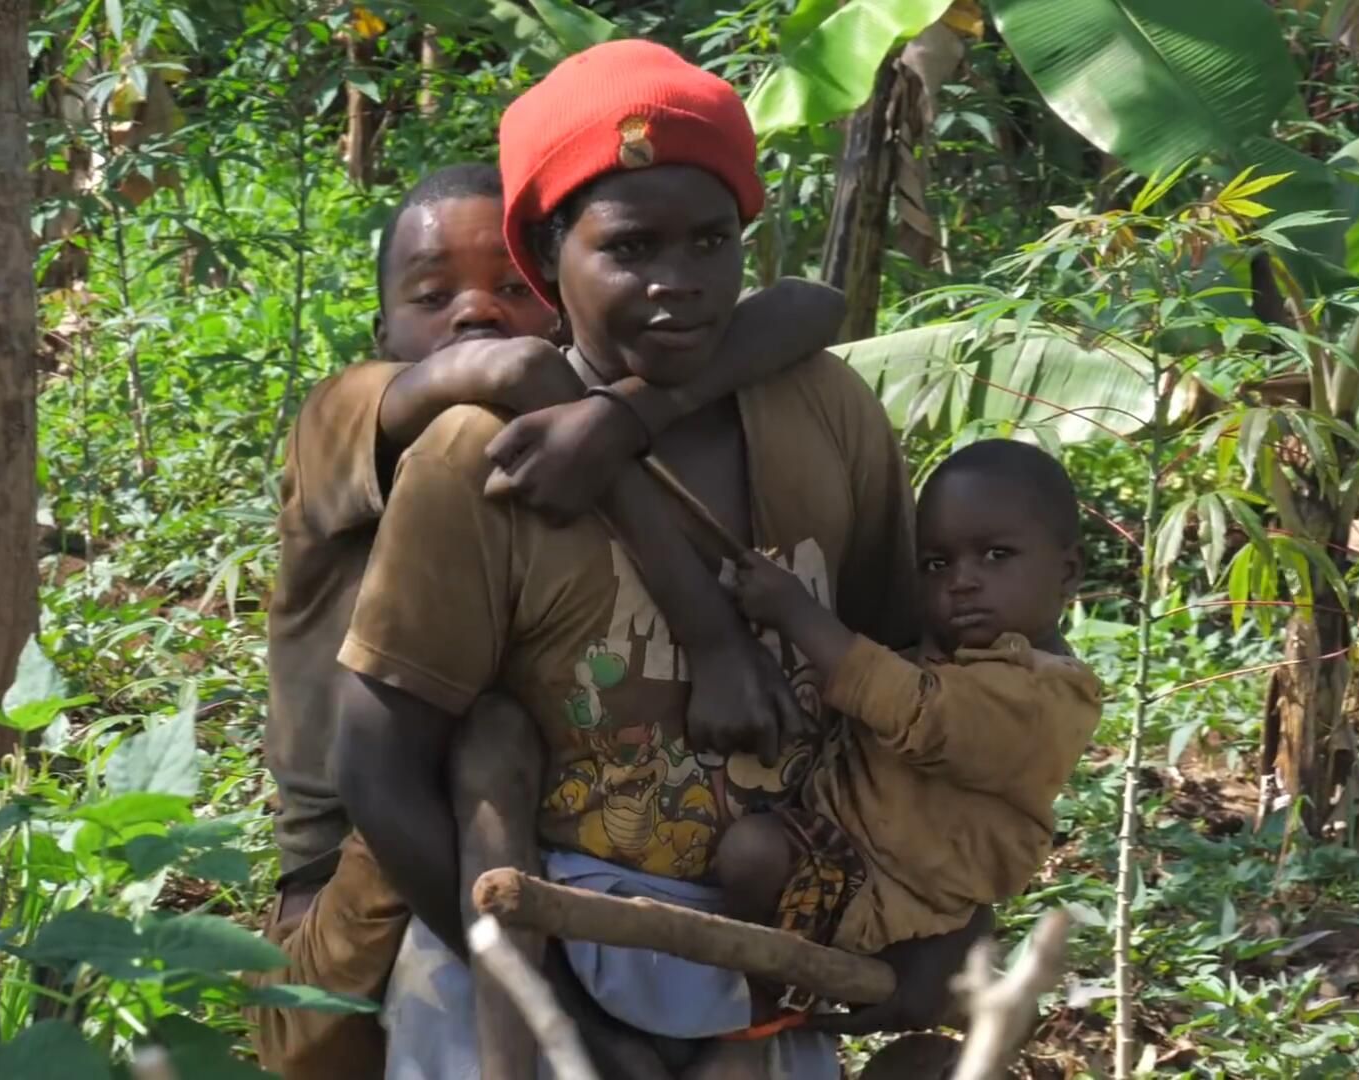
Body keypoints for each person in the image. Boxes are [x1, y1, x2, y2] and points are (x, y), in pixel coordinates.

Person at [332, 39, 990, 1080]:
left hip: (768, 947)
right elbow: (376, 767)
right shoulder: (477, 463)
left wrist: (925, 911)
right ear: (549, 261)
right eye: (631, 249)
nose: (677, 285)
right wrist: (566, 1020)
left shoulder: (826, 414)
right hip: (522, 949)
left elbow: (899, 675)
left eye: (710, 243)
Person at [255, 159, 845, 1075]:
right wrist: (578, 1022)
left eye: (506, 287)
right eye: (432, 294)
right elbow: (513, 367)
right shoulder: (348, 416)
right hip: (366, 884)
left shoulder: (562, 446)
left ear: (559, 294)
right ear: (381, 330)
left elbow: (810, 307)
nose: (474, 311)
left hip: (555, 865)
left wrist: (624, 414)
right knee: (487, 739)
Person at [717, 439, 1102, 971]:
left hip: (887, 898)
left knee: (750, 855)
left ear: (1068, 572)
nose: (961, 581)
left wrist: (795, 611)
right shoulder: (963, 654)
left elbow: (920, 712)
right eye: (937, 564)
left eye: (996, 555)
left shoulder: (1047, 696)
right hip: (847, 857)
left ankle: (767, 989)